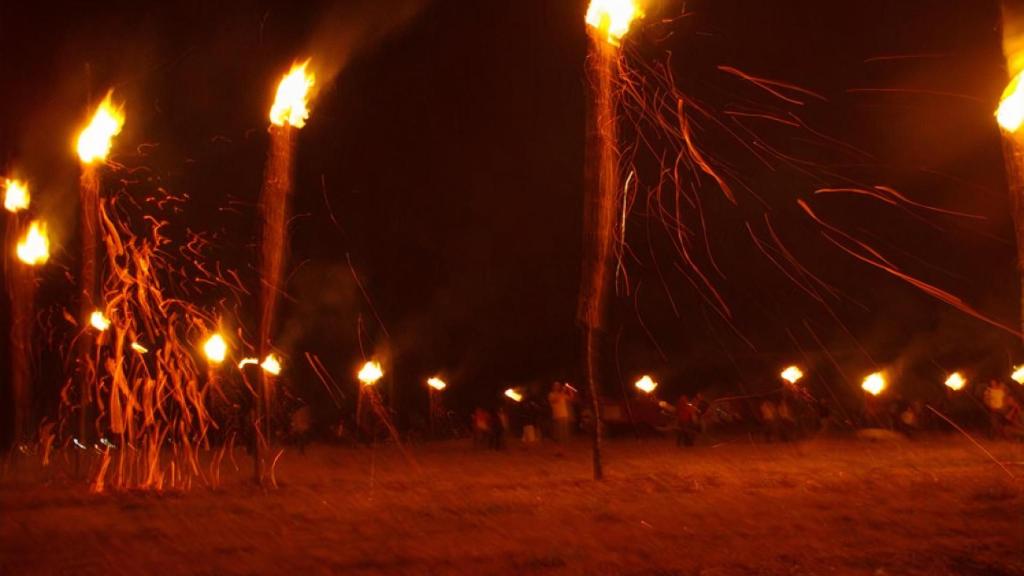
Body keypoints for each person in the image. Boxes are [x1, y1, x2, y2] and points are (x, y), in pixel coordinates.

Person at [548, 382, 571, 450]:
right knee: (559, 433)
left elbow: (571, 398)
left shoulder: (562, 394)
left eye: (558, 385)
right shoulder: (551, 395)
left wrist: (569, 390)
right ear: (553, 387)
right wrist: (563, 391)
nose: (557, 386)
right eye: (556, 385)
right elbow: (556, 399)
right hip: (558, 415)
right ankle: (559, 447)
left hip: (565, 414)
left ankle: (564, 447)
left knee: (565, 432)